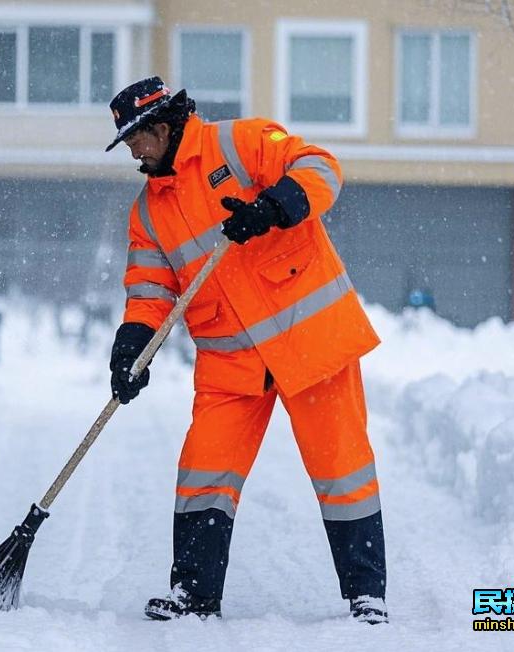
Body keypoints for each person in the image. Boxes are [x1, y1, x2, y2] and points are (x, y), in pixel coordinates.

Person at [105, 76, 388, 624]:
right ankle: (193, 593)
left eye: (136, 139)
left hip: (312, 343)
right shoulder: (147, 213)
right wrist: (131, 345)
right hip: (230, 361)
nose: (134, 152)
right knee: (202, 471)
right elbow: (149, 293)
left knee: (342, 469)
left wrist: (279, 204)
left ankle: (366, 596)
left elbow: (322, 166)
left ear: (160, 128)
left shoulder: (239, 143)